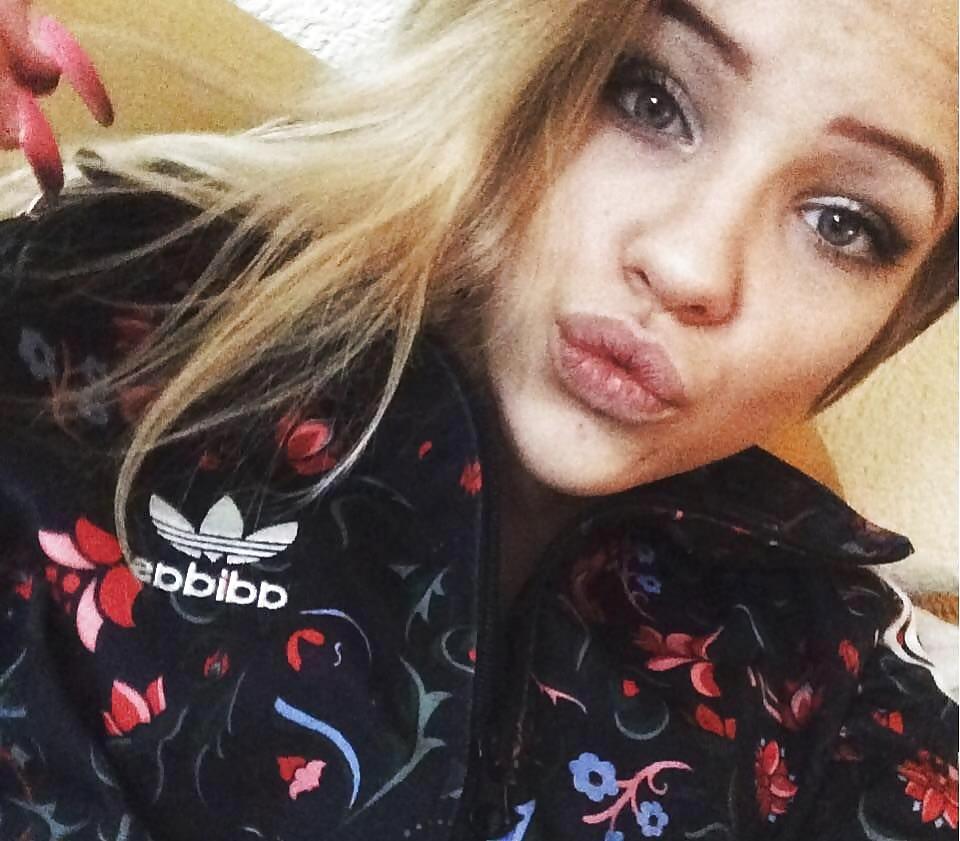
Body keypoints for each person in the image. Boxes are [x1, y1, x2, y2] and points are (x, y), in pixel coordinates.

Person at [0, 0, 956, 839]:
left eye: (844, 223)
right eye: (648, 97)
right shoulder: (92, 325)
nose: (689, 266)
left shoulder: (827, 663)